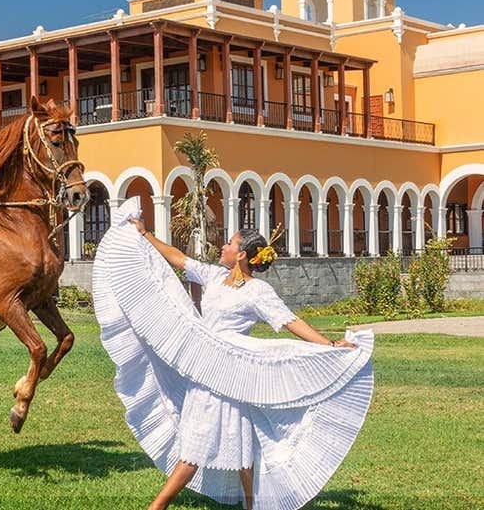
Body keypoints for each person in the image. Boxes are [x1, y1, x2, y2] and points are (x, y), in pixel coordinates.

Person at [92, 198, 374, 510]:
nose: (222, 246)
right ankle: (250, 504)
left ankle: (158, 506)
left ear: (241, 255)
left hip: (234, 367)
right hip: (205, 364)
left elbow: (290, 321)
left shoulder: (258, 292)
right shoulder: (213, 276)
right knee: (238, 440)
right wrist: (144, 236)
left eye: (229, 243)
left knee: (203, 442)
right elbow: (178, 259)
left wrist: (329, 345)